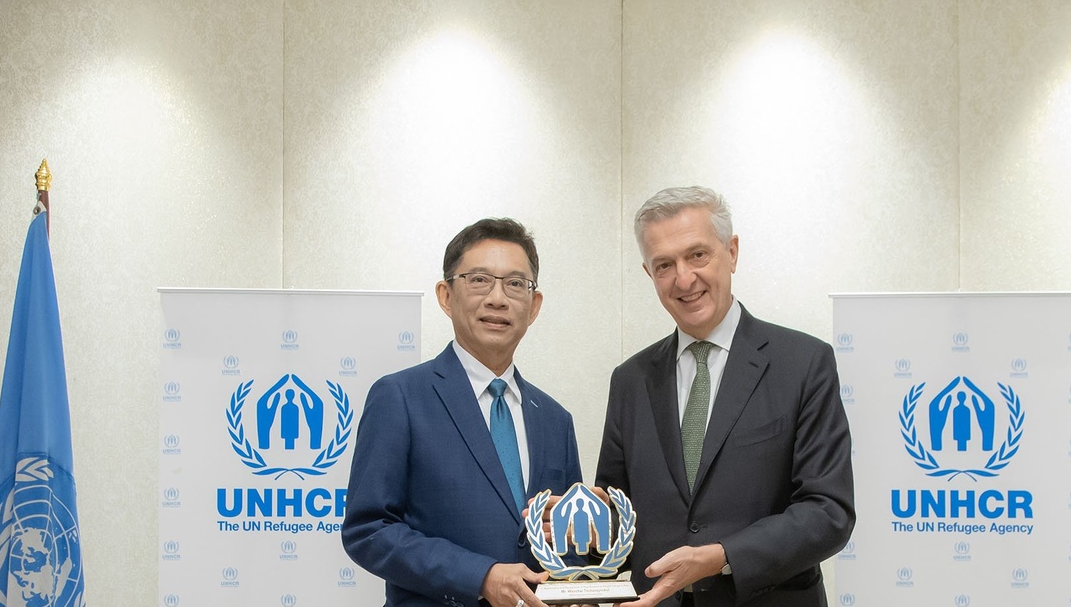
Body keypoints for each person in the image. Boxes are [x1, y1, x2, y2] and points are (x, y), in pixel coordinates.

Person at [595, 187, 854, 607]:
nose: (683, 278)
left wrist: (721, 557)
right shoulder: (630, 380)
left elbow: (828, 512)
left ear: (731, 252)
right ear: (649, 274)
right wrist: (576, 525)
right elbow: (617, 513)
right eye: (665, 264)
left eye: (698, 255)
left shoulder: (804, 363)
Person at [345, 218, 584, 607]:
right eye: (479, 280)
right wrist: (480, 577)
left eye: (515, 284)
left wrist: (577, 539)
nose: (497, 298)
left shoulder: (555, 419)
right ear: (446, 296)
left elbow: (567, 547)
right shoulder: (400, 397)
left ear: (534, 305)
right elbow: (368, 529)